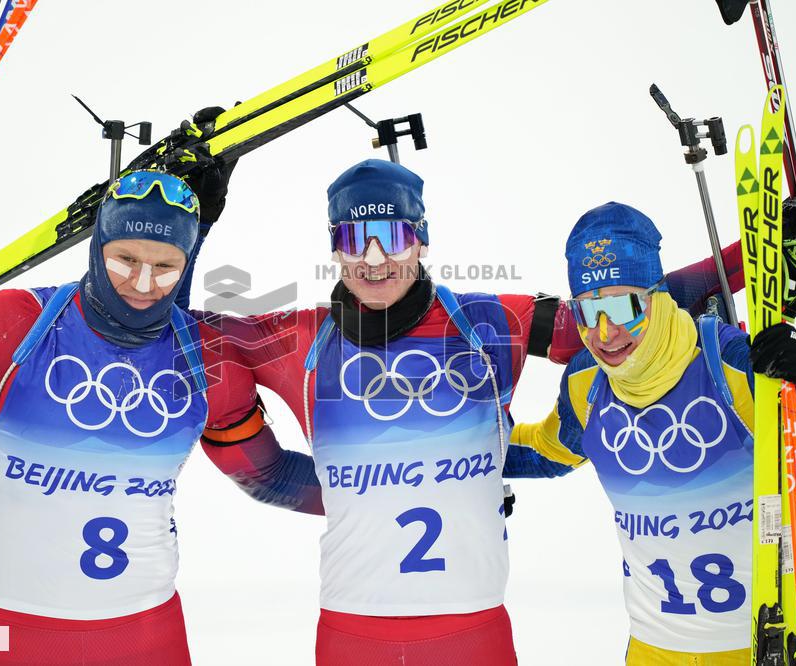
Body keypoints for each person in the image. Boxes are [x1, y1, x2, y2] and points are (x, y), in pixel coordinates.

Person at [197, 159, 749, 666]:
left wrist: (758, 250)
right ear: (334, 248)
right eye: (352, 239)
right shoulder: (300, 340)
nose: (372, 258)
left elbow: (627, 305)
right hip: (352, 634)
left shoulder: (488, 324)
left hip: (475, 633)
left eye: (391, 236)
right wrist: (189, 223)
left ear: (421, 240)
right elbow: (174, 340)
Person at [0, 121, 320, 664]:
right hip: (9, 637)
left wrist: (390, 493)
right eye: (124, 260)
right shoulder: (8, 326)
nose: (144, 284)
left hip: (147, 637)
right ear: (96, 246)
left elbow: (269, 477)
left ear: (188, 263)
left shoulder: (208, 360)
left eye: (167, 267)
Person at [509, 201, 796, 664]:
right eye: (588, 312)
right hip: (655, 650)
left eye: (623, 307)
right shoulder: (586, 381)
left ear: (659, 297)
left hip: (766, 645)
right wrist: (450, 446)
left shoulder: (731, 366)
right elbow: (545, 452)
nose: (605, 332)